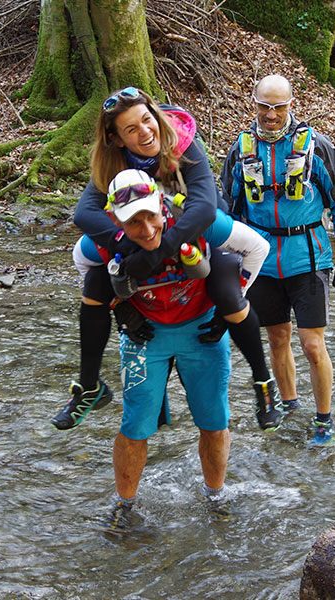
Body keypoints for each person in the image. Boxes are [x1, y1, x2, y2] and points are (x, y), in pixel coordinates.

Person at [51, 86, 283, 433]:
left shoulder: (183, 141)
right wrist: (123, 290)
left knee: (226, 290)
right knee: (96, 282)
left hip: (194, 229)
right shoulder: (113, 163)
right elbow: (84, 217)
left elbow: (207, 209)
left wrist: (161, 251)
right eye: (131, 129)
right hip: (140, 232)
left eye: (147, 120)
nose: (145, 132)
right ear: (116, 139)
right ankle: (89, 386)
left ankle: (264, 383)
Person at [92, 168, 249, 527]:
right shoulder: (99, 239)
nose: (146, 230)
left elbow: (257, 249)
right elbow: (85, 267)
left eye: (151, 217)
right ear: (115, 220)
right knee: (135, 425)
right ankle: (125, 508)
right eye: (134, 223)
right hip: (146, 335)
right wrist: (121, 307)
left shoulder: (199, 221)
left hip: (202, 328)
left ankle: (215, 498)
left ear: (161, 205)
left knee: (213, 420)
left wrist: (232, 308)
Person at [220, 74, 335, 447]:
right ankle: (289, 406)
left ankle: (324, 419)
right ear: (254, 103)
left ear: (290, 105)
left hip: (309, 257)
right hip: (261, 260)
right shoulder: (240, 150)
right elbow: (227, 209)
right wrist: (223, 259)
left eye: (278, 106)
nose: (270, 114)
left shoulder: (317, 147)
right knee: (277, 338)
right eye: (264, 105)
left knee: (313, 345)